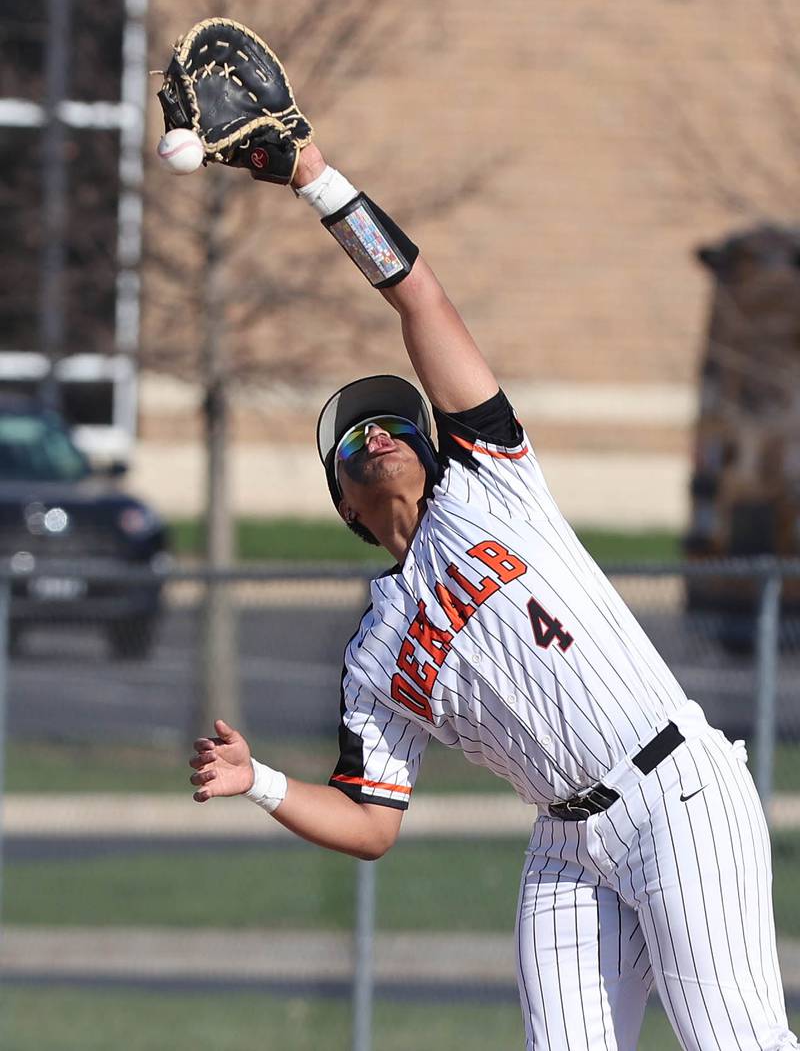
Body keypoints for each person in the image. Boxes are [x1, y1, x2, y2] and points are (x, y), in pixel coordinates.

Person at [189, 140, 798, 1051]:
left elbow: (419, 297)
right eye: (356, 445)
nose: (381, 437)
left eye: (396, 422)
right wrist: (260, 783)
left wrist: (316, 178)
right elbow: (369, 823)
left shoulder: (489, 481)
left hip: (676, 791)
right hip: (567, 842)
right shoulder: (374, 654)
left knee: (737, 1040)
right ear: (344, 503)